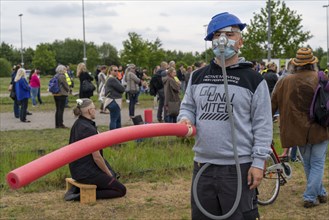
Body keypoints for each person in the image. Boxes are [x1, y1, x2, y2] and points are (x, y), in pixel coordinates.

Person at [177, 12, 273, 219]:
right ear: (211, 40)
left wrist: (258, 163)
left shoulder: (254, 80)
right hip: (203, 165)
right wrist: (185, 119)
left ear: (240, 41)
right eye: (217, 34)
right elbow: (188, 107)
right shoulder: (197, 76)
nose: (223, 39)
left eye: (230, 34)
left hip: (238, 168)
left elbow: (263, 125)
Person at [271, 47, 328, 208]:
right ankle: (310, 196)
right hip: (319, 127)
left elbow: (272, 102)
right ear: (312, 63)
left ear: (296, 64)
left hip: (297, 130)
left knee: (309, 163)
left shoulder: (284, 81)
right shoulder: (321, 78)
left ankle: (321, 193)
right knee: (316, 163)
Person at [64, 98, 126, 201]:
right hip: (87, 173)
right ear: (89, 111)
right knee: (121, 190)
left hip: (76, 170)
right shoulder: (88, 129)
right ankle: (79, 196)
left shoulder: (78, 124)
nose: (95, 110)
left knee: (111, 175)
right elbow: (97, 158)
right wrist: (109, 175)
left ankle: (78, 190)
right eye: (94, 108)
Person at [104, 65, 125, 130]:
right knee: (114, 120)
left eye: (117, 71)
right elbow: (122, 89)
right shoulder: (112, 79)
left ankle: (118, 136)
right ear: (110, 71)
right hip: (114, 101)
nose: (117, 72)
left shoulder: (110, 79)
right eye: (115, 71)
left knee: (117, 120)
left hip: (113, 101)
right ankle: (113, 136)